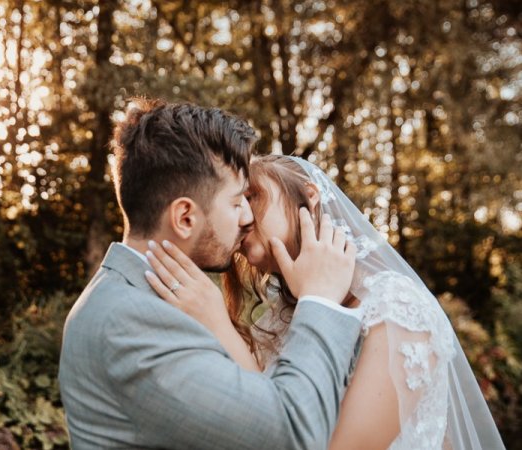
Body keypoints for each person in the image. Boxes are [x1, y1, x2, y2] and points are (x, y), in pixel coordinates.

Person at [58, 99, 365, 449]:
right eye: (236, 202)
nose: (248, 217)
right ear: (185, 218)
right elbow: (291, 434)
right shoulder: (129, 321)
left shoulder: (138, 296)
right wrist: (320, 299)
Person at [145, 154, 506, 449]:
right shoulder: (277, 316)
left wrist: (217, 323)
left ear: (309, 196)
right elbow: (262, 418)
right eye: (236, 202)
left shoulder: (395, 308)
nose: (242, 217)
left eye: (252, 196)